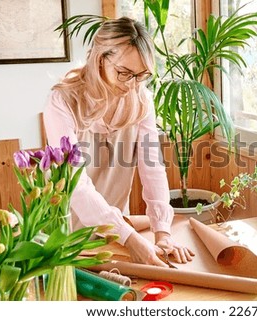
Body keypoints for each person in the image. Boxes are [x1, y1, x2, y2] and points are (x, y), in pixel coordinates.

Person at [43, 17, 194, 267]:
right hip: (65, 235)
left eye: (140, 76)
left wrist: (163, 233)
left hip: (114, 233)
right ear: (100, 58)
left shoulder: (141, 100)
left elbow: (152, 167)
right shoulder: (63, 102)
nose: (131, 84)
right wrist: (131, 238)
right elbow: (75, 183)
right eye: (124, 73)